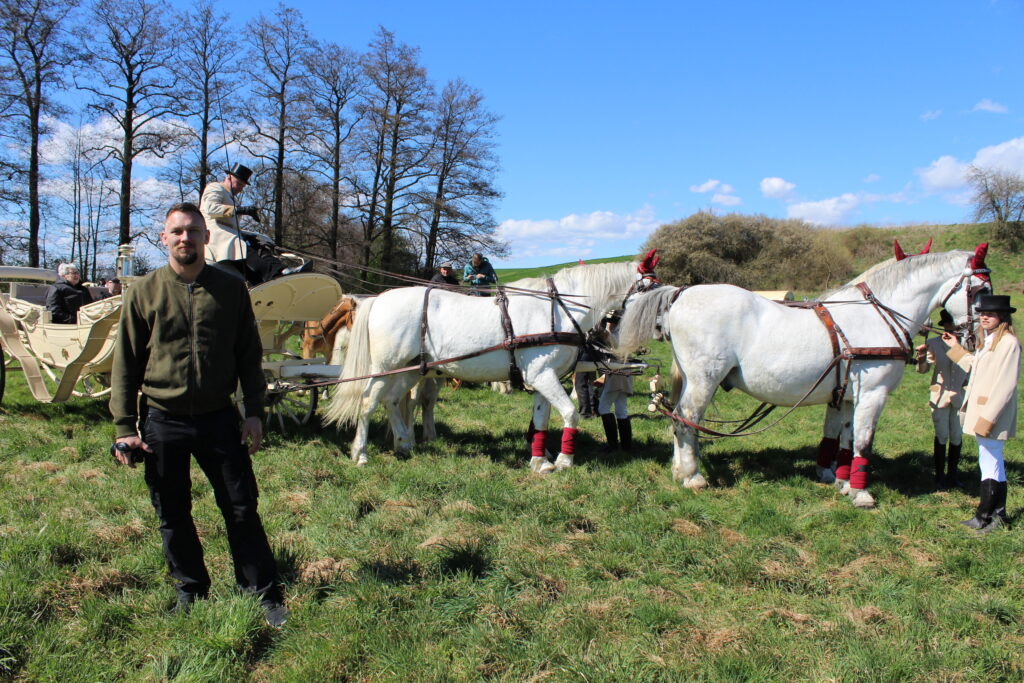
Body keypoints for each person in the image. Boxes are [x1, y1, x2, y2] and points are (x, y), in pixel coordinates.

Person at [109, 202, 289, 626]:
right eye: (176, 231)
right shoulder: (144, 291)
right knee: (172, 513)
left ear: (206, 237)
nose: (184, 238)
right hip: (162, 419)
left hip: (218, 418)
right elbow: (126, 363)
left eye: (192, 230)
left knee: (241, 508)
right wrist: (124, 426)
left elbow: (248, 355)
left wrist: (254, 412)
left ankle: (262, 593)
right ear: (164, 238)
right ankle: (190, 590)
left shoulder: (230, 290)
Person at [940, 294, 1020, 533]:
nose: (984, 317)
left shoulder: (1008, 343)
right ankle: (994, 515)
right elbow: (975, 366)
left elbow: (1006, 385)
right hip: (983, 411)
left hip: (992, 413)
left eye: (990, 314)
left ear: (1002, 317)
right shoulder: (991, 341)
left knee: (990, 461)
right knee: (990, 461)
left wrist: (989, 418)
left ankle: (987, 515)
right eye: (983, 314)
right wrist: (955, 348)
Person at [199, 163, 309, 285]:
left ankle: (282, 270)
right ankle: (273, 276)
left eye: (242, 186)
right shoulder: (215, 188)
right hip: (216, 235)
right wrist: (240, 210)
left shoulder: (231, 198)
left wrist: (253, 235)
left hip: (230, 234)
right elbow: (211, 208)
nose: (240, 189)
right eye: (239, 184)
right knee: (244, 247)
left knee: (259, 243)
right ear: (229, 178)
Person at [915, 309, 968, 489]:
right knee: (941, 434)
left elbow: (970, 367)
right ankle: (939, 476)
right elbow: (923, 370)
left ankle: (953, 475)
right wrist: (921, 358)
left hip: (960, 395)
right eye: (950, 324)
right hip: (939, 395)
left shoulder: (968, 343)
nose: (953, 327)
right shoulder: (933, 343)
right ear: (944, 325)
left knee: (957, 435)